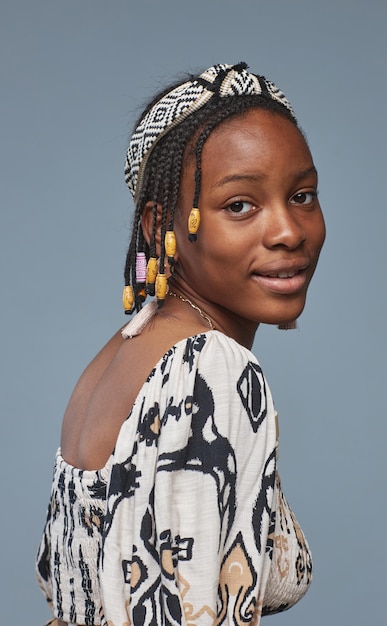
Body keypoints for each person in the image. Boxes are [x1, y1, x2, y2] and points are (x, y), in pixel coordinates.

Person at [36, 62, 325, 626]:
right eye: (239, 204)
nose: (289, 230)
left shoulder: (126, 348)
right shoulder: (210, 369)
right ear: (156, 225)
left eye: (303, 194)